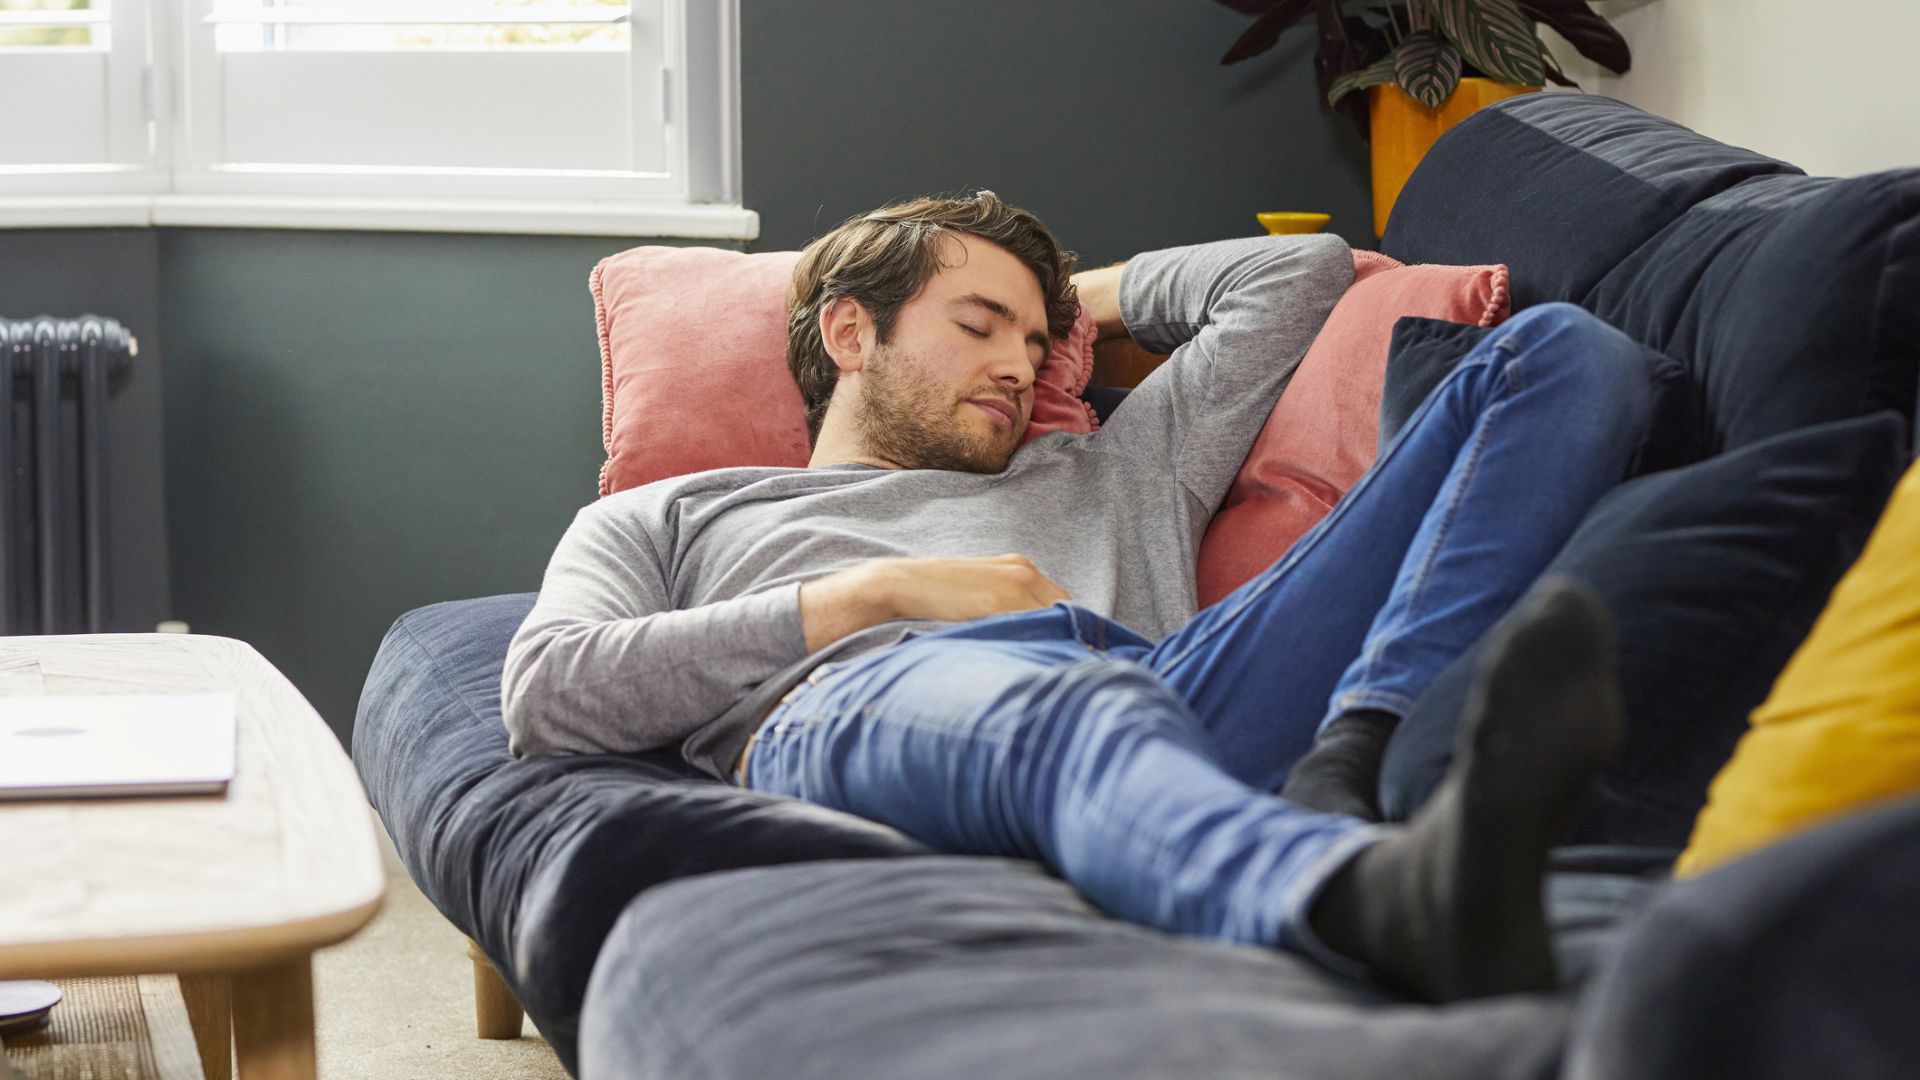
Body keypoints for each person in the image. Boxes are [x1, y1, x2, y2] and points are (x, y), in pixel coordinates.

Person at [502, 191, 1654, 1002]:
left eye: (1037, 338)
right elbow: (547, 692)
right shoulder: (675, 511)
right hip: (871, 697)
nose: (1019, 362)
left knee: (1562, 355)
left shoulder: (1120, 461)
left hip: (1176, 685)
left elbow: (1299, 270)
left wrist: (1068, 297)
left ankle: (1354, 753)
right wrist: (876, 593)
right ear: (850, 331)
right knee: (1069, 707)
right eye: (976, 325)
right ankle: (1368, 896)